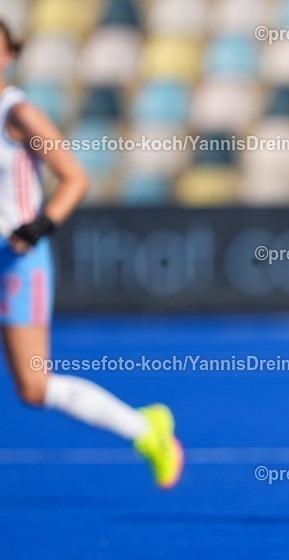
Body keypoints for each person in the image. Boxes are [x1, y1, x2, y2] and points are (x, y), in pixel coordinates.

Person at [0, 21, 183, 488]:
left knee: (34, 388)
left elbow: (74, 177)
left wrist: (38, 226)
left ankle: (146, 430)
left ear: (8, 55)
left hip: (17, 262)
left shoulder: (17, 114)